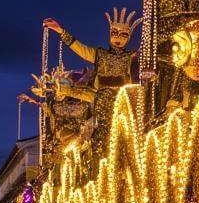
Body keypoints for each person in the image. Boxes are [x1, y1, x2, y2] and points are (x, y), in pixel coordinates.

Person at [43, 8, 139, 156]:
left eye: (124, 34)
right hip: (100, 99)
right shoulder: (99, 55)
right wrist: (61, 31)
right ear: (109, 34)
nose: (118, 38)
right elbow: (80, 48)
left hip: (124, 101)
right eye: (114, 33)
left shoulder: (131, 56)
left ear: (129, 37)